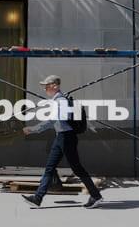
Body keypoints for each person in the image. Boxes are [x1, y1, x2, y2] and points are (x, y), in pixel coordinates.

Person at [21, 75, 103, 208]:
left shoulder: (61, 101)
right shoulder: (58, 101)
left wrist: (34, 129)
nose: (45, 89)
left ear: (55, 86)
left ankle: (96, 196)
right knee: (50, 168)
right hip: (61, 137)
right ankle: (37, 198)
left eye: (47, 86)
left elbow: (55, 120)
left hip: (66, 137)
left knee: (77, 168)